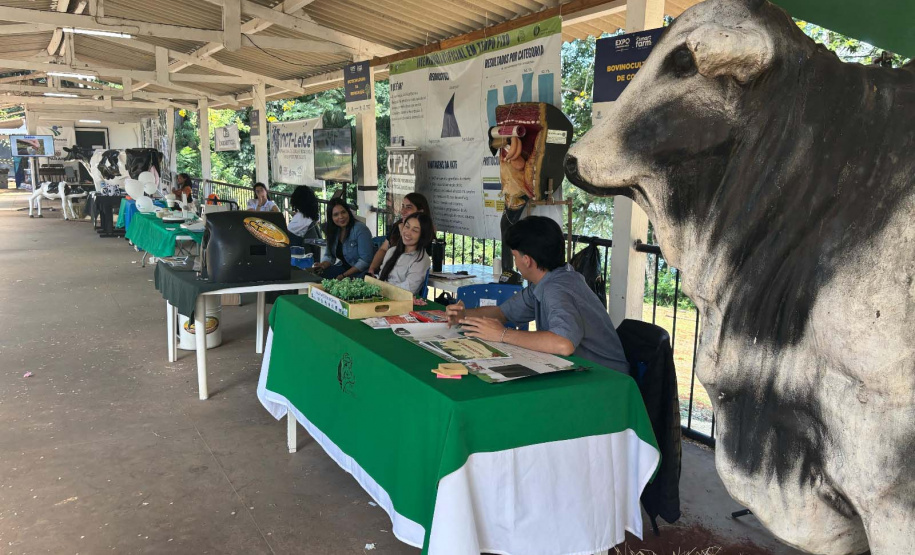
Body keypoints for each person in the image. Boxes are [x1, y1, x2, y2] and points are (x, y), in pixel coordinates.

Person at [446, 216, 630, 374]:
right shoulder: (547, 281)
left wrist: (502, 334)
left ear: (527, 260)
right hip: (580, 371)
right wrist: (464, 316)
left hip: (605, 379)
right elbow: (503, 313)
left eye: (515, 256)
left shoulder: (557, 289)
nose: (516, 263)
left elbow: (563, 344)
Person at [368, 192, 433, 274]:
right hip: (386, 273)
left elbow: (411, 252)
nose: (403, 211)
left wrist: (403, 232)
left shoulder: (426, 231)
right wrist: (372, 269)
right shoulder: (397, 226)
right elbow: (383, 249)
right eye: (403, 206)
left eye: (409, 207)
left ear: (420, 211)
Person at [313, 199, 373, 280]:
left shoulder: (360, 229)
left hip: (360, 272)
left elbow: (365, 261)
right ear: (331, 217)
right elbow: (329, 256)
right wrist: (322, 265)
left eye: (343, 212)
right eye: (336, 214)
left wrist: (344, 275)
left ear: (348, 212)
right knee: (317, 276)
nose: (341, 217)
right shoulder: (333, 231)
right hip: (343, 269)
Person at [377, 212, 433, 296]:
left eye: (415, 230)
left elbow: (408, 289)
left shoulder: (421, 259)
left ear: (422, 236)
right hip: (381, 297)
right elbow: (381, 277)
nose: (408, 232)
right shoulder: (391, 251)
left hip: (400, 303)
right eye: (407, 226)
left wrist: (383, 288)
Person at [287, 185, 322, 258]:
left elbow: (288, 234)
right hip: (310, 254)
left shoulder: (300, 220)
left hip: (295, 255)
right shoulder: (310, 217)